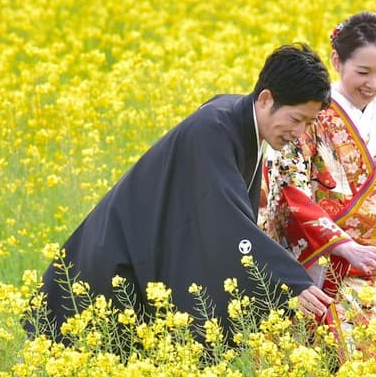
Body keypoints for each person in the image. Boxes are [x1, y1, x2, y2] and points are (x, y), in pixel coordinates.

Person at [28, 44, 335, 350]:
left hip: (136, 264)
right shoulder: (213, 128)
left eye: (309, 123)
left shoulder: (237, 121)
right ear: (266, 98)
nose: (300, 132)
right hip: (112, 269)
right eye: (297, 119)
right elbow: (226, 221)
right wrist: (289, 280)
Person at [261, 13, 376, 344]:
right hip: (322, 259)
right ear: (337, 61)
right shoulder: (310, 114)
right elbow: (289, 193)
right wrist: (345, 246)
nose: (373, 83)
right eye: (363, 72)